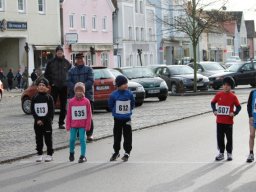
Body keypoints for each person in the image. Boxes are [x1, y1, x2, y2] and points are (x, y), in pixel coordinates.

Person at [211, 77, 241, 161]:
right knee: (220, 138)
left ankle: (229, 153)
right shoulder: (218, 95)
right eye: (224, 85)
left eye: (228, 85)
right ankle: (221, 152)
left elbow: (239, 107)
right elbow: (213, 103)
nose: (226, 87)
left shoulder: (233, 96)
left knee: (229, 138)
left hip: (228, 122)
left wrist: (234, 113)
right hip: (219, 121)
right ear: (222, 86)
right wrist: (214, 110)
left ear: (231, 86)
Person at [67, 53, 94, 141]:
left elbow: (91, 81)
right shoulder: (71, 71)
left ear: (84, 59)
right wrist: (76, 89)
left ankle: (89, 134)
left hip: (88, 96)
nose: (80, 60)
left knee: (88, 116)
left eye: (81, 58)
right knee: (77, 116)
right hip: (74, 97)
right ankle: (78, 134)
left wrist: (81, 88)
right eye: (78, 59)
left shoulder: (89, 69)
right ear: (76, 60)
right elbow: (68, 82)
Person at [108, 75, 135, 162]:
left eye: (126, 83)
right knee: (117, 135)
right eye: (123, 84)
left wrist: (128, 111)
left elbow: (132, 104)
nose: (126, 85)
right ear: (118, 85)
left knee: (128, 135)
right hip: (117, 119)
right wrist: (114, 111)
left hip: (127, 118)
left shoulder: (129, 94)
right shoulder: (113, 95)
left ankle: (127, 152)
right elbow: (110, 105)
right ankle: (116, 151)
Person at [44, 45, 71, 129]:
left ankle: (61, 123)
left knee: (64, 106)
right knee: (52, 104)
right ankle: (50, 120)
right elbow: (46, 74)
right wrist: (51, 83)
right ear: (56, 53)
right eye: (58, 52)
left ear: (63, 53)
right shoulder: (51, 62)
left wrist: (68, 83)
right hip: (54, 86)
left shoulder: (67, 63)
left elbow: (70, 74)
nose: (59, 53)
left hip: (64, 87)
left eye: (61, 52)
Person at [66, 82, 92, 163]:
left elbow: (89, 114)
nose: (79, 92)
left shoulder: (87, 101)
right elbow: (69, 114)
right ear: (74, 91)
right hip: (73, 125)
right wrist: (68, 125)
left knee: (82, 139)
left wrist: (88, 125)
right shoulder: (71, 102)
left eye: (80, 90)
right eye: (77, 90)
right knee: (72, 139)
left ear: (83, 91)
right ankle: (71, 152)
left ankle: (83, 156)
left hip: (82, 125)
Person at [31, 78, 54, 162]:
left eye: (43, 85)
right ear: (37, 87)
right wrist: (37, 119)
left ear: (47, 87)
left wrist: (43, 120)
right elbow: (33, 110)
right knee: (38, 138)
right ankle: (39, 153)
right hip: (37, 122)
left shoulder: (49, 98)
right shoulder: (35, 98)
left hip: (47, 122)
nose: (41, 87)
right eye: (39, 85)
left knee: (48, 138)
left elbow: (51, 111)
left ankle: (49, 154)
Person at [246, 89, 256, 163]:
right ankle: (251, 153)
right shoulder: (253, 92)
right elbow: (249, 105)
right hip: (253, 117)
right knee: (252, 135)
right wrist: (250, 116)